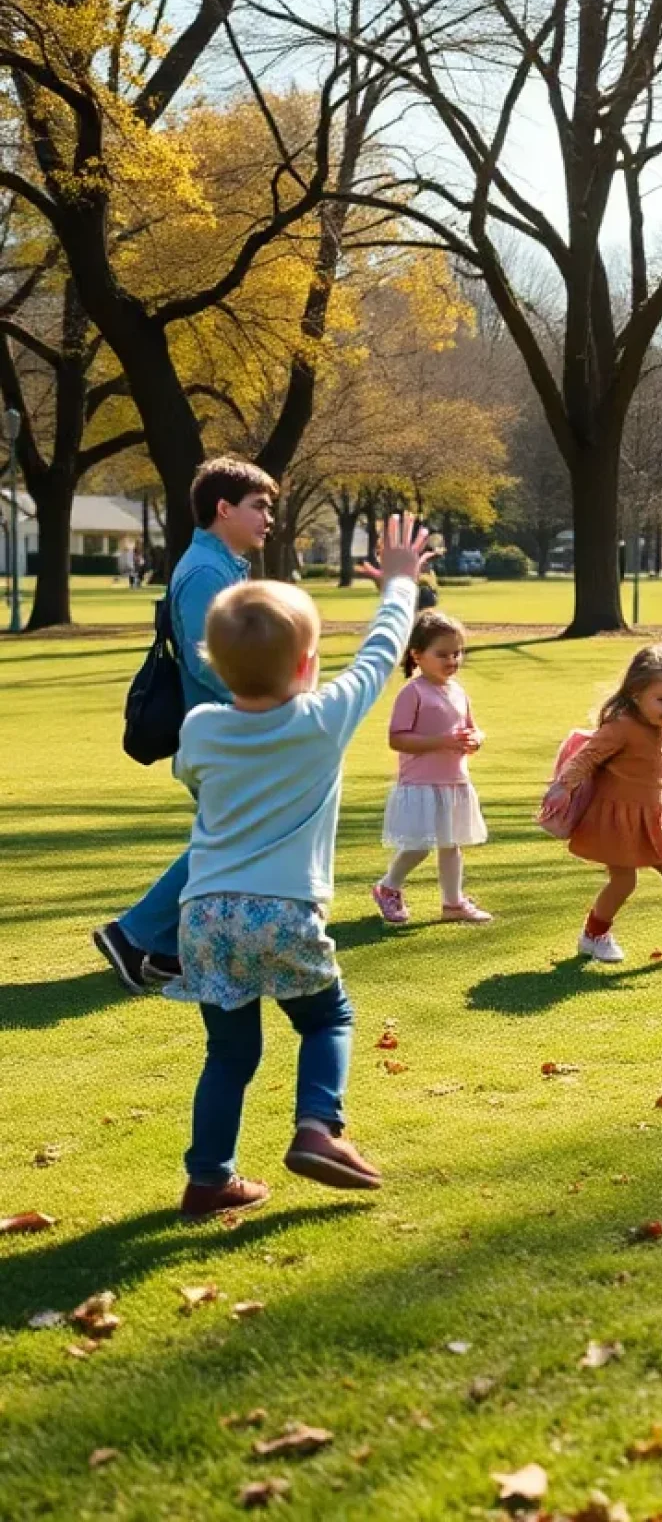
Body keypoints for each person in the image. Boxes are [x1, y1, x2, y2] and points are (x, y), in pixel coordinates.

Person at [167, 513, 431, 1217]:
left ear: (215, 664)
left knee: (229, 1054)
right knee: (325, 1018)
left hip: (205, 917)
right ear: (309, 665)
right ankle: (317, 1127)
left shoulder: (201, 727)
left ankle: (209, 1177)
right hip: (283, 911)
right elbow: (380, 651)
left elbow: (190, 778)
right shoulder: (323, 718)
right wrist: (400, 583)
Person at [93, 458, 277, 994]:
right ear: (224, 509)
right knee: (230, 842)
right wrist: (271, 698)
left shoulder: (222, 567)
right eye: (259, 507)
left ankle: (167, 948)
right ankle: (133, 934)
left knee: (233, 841)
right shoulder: (204, 572)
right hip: (219, 736)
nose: (268, 518)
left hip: (225, 732)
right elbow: (205, 660)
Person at [543, 644, 662, 965]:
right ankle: (593, 935)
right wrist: (563, 785)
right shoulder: (621, 728)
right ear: (635, 693)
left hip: (655, 820)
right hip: (618, 821)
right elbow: (585, 758)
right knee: (624, 881)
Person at [372, 610, 491, 925]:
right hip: (422, 783)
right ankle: (388, 887)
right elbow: (397, 739)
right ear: (418, 655)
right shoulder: (413, 692)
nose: (452, 660)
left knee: (451, 845)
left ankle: (453, 903)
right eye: (442, 654)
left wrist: (475, 740)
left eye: (457, 653)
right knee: (420, 845)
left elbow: (472, 728)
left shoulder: (458, 691)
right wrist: (441, 741)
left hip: (453, 781)